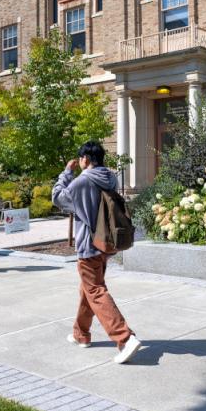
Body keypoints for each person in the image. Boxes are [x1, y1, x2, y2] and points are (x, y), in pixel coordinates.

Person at [52, 141, 142, 365]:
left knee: (95, 290)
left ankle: (124, 338)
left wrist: (66, 173)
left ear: (85, 159)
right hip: (106, 243)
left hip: (88, 245)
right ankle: (80, 334)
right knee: (88, 290)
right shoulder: (110, 178)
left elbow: (58, 198)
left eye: (81, 158)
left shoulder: (82, 181)